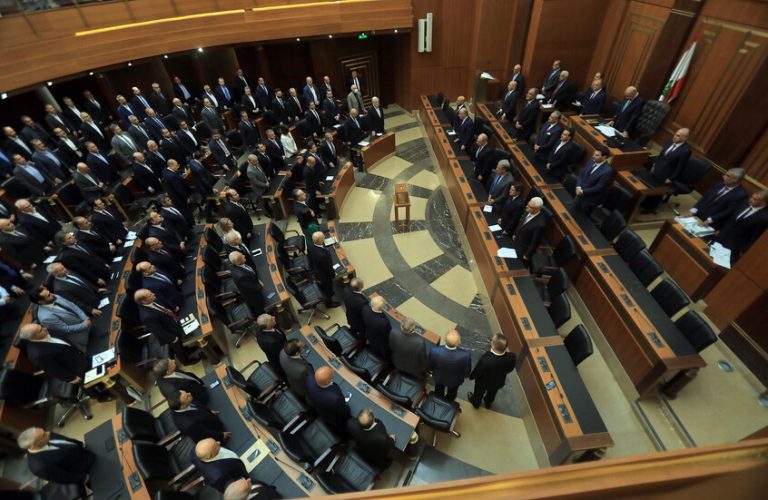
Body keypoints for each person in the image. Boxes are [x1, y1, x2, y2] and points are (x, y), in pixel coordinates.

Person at [135, 288, 197, 364]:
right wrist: (172, 338)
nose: (153, 294)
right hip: (169, 333)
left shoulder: (151, 300)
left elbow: (163, 308)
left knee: (182, 341)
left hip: (171, 321)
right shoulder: (147, 317)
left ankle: (187, 350)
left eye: (151, 292)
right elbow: (158, 331)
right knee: (178, 348)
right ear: (144, 301)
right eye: (150, 295)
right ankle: (186, 362)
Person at [18, 427, 95, 485]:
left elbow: (67, 441)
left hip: (85, 451)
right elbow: (63, 477)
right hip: (88, 470)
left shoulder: (47, 435)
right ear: (33, 446)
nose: (48, 433)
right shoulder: (39, 467)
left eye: (44, 431)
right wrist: (84, 478)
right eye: (43, 435)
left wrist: (80, 445)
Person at [641, 128, 693, 213]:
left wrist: (671, 178)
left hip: (667, 174)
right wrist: (655, 165)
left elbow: (680, 167)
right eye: (675, 134)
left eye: (678, 136)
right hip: (658, 168)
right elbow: (661, 155)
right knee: (650, 187)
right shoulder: (670, 141)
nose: (674, 136)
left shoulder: (686, 151)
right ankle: (645, 203)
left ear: (684, 138)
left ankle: (650, 208)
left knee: (657, 192)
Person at [19, 323, 88, 384]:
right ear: (32, 337)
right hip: (77, 369)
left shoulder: (45, 330)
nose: (45, 328)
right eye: (40, 330)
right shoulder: (38, 355)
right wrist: (71, 378)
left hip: (81, 356)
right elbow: (54, 370)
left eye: (41, 326)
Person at [29, 285, 91, 352]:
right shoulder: (45, 318)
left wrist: (84, 317)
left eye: (49, 292)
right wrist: (85, 325)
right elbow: (66, 329)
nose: (52, 294)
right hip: (84, 338)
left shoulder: (54, 297)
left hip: (88, 324)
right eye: (48, 295)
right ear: (41, 302)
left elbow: (72, 305)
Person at [685, 167, 749, 229]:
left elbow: (728, 211)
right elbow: (705, 197)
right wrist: (694, 209)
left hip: (712, 222)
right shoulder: (719, 184)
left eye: (728, 176)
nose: (723, 177)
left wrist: (710, 220)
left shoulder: (741, 195)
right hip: (698, 214)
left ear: (736, 179)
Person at [714, 190, 768, 261]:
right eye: (752, 197)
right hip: (721, 237)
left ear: (763, 203)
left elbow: (755, 237)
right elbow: (730, 219)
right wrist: (720, 229)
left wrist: (744, 250)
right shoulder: (744, 203)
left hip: (733, 247)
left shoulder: (765, 218)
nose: (751, 199)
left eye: (755, 199)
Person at [468, 333, 517, 409]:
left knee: (478, 393)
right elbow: (510, 368)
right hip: (498, 382)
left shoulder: (486, 359)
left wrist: (472, 376)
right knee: (492, 394)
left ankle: (476, 403)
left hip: (483, 382)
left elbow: (478, 371)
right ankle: (488, 403)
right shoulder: (512, 357)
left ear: (493, 346)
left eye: (492, 340)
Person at [305, 366, 350, 435]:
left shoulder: (310, 379)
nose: (333, 371)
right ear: (328, 381)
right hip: (332, 418)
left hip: (320, 410)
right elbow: (342, 412)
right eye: (332, 374)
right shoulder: (335, 398)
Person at [428, 330, 471, 401]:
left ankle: (438, 400)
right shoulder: (466, 355)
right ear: (459, 342)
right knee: (452, 394)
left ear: (445, 340)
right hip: (454, 381)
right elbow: (467, 372)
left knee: (438, 390)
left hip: (439, 377)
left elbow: (430, 365)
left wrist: (432, 371)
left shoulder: (434, 351)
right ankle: (449, 401)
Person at [574, 148, 613, 214]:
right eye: (594, 154)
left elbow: (598, 188)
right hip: (579, 191)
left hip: (589, 199)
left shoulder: (607, 171)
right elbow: (582, 174)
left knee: (580, 216)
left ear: (604, 157)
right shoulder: (591, 161)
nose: (593, 156)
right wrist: (578, 187)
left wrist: (582, 191)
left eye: (597, 155)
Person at [512, 197, 548, 265]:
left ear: (537, 209)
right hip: (517, 240)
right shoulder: (528, 211)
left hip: (523, 249)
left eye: (530, 206)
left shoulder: (540, 224)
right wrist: (515, 233)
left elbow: (535, 242)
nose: (526, 206)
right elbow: (521, 223)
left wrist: (527, 255)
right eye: (528, 204)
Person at [309, 231, 340, 307]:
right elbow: (328, 268)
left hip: (316, 270)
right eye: (323, 237)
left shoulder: (311, 246)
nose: (325, 237)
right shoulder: (322, 255)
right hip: (324, 276)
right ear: (320, 240)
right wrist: (333, 274)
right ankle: (329, 304)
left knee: (325, 287)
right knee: (327, 289)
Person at [228, 251, 264, 317]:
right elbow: (252, 288)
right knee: (260, 310)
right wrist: (260, 285)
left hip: (250, 283)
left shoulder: (234, 265)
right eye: (242, 256)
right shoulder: (241, 276)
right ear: (238, 262)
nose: (244, 256)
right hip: (253, 297)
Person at [361, 295, 391, 360]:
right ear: (382, 307)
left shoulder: (365, 309)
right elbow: (387, 335)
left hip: (369, 335)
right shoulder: (384, 323)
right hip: (380, 344)